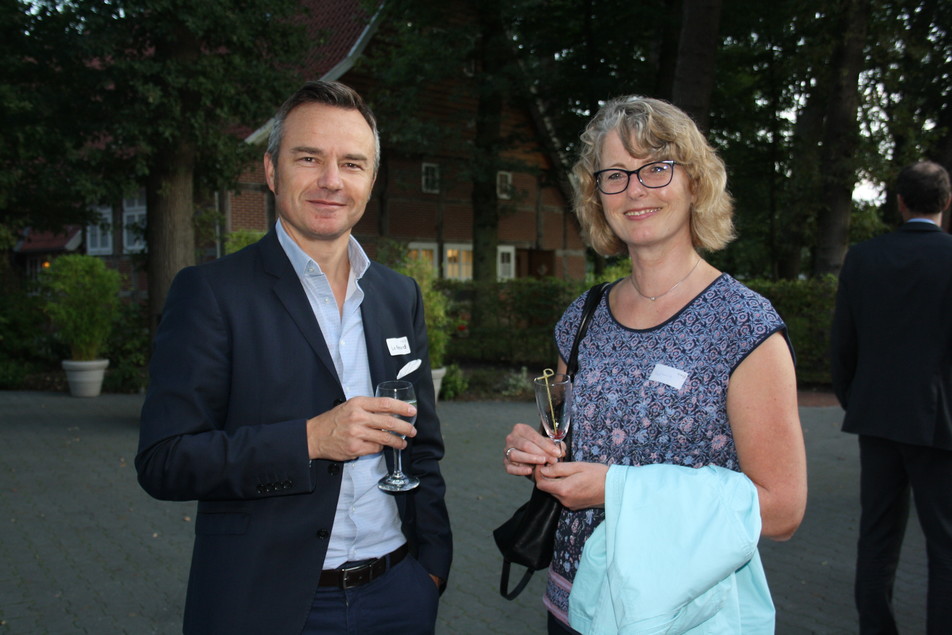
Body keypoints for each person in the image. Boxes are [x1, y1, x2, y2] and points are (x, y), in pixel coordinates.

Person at [135, 81, 452, 635]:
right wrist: (309, 440)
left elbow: (422, 446)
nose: (332, 180)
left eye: (352, 163)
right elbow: (165, 459)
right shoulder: (211, 293)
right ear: (271, 169)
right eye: (309, 158)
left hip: (399, 593)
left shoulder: (399, 295)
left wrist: (431, 572)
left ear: (371, 180)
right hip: (270, 607)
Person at [502, 95, 807, 634]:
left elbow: (782, 511)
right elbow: (570, 440)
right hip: (574, 605)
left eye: (656, 168)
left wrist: (615, 488)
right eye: (614, 175)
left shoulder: (744, 326)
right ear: (597, 197)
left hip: (680, 613)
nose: (635, 189)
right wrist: (540, 453)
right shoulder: (584, 317)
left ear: (695, 181)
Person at [831, 160, 952, 634]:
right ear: (945, 202)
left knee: (876, 537)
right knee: (944, 546)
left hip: (877, 418)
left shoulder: (863, 258)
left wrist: (855, 398)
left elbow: (843, 342)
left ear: (899, 203)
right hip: (941, 422)